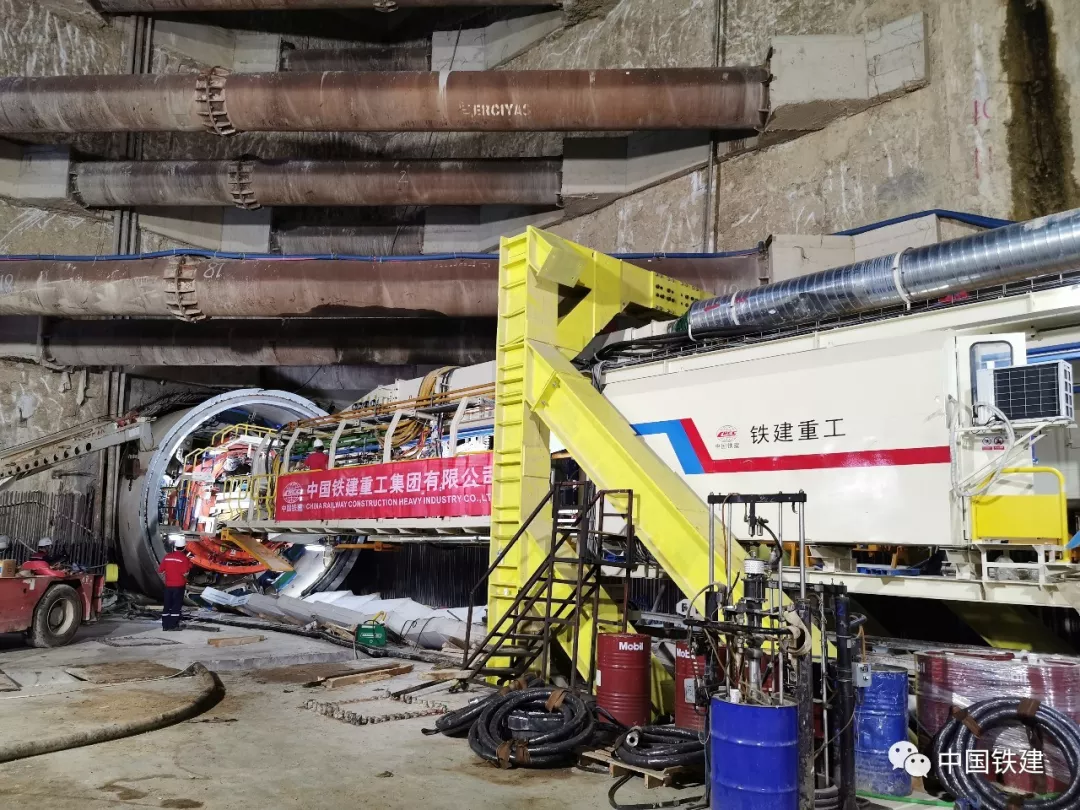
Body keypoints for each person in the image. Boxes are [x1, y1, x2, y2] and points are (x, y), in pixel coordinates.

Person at [156, 538, 193, 631]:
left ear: (175, 547)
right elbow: (185, 573)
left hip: (168, 586)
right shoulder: (184, 559)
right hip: (179, 586)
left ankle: (165, 625)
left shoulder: (167, 557)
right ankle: (173, 625)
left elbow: (160, 570)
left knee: (167, 605)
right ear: (184, 547)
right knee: (176, 606)